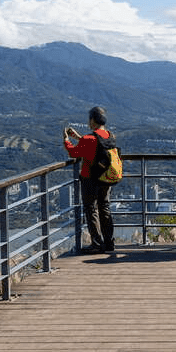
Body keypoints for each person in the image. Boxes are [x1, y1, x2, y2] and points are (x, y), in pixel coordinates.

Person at [63, 106, 116, 254]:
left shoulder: (88, 139)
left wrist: (66, 140)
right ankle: (109, 242)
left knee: (91, 209)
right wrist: (79, 138)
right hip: (106, 178)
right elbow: (97, 146)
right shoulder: (110, 135)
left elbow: (74, 152)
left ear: (92, 120)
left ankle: (97, 243)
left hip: (90, 179)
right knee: (104, 207)